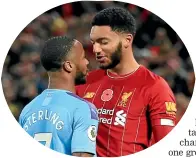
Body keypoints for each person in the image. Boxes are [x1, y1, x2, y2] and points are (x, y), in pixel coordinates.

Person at [76, 7, 177, 157]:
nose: (96, 49)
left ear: (127, 40)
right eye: (93, 42)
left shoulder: (155, 86)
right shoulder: (85, 81)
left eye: (103, 42)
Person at [19, 36, 99, 157]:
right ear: (69, 66)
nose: (87, 62)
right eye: (83, 57)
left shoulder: (27, 110)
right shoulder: (83, 108)